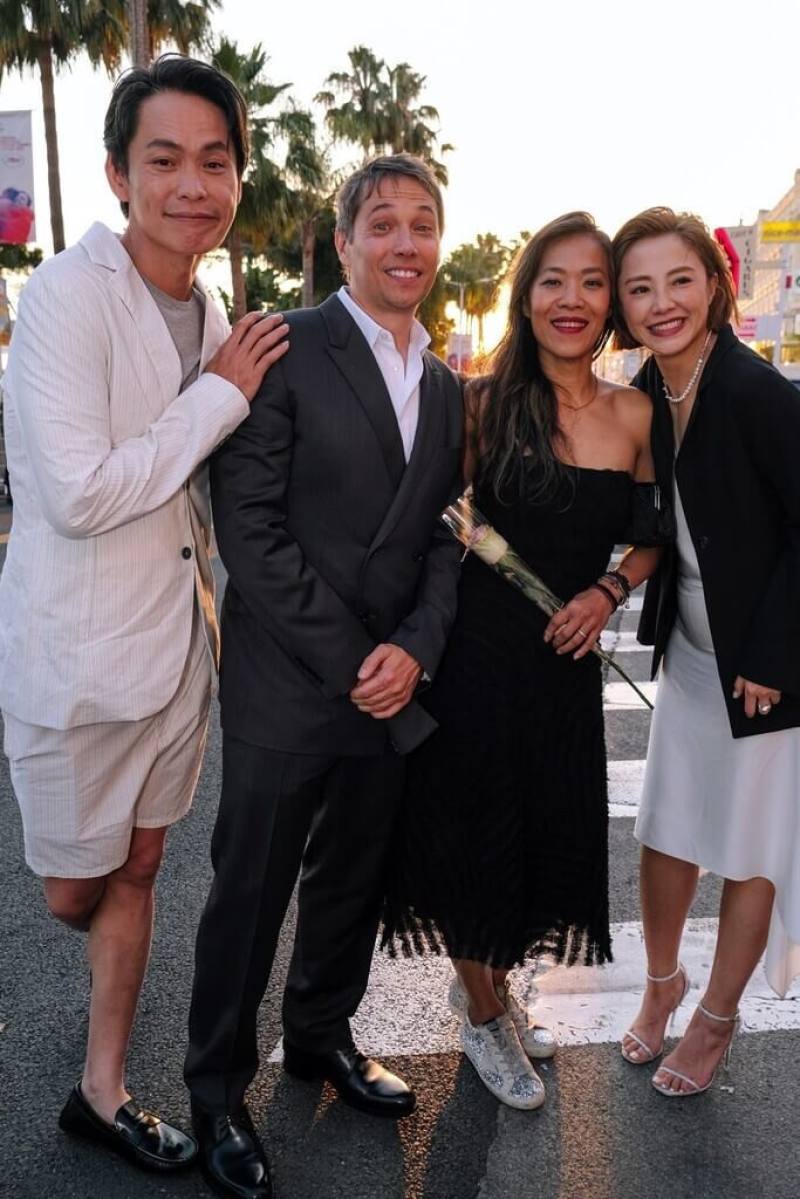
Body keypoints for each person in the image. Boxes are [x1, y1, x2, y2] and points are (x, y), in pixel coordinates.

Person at [0, 55, 288, 1173]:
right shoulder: (67, 296)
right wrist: (221, 389)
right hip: (76, 659)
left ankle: (103, 1086)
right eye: (163, 159)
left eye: (214, 161)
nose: (191, 184)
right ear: (119, 173)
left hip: (177, 654)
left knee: (140, 868)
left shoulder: (208, 301)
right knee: (77, 881)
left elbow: (208, 483)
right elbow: (76, 494)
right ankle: (97, 1067)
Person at [184, 153, 463, 1199]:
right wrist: (355, 659)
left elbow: (446, 532)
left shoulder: (442, 383)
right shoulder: (281, 347)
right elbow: (246, 530)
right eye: (381, 223)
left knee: (353, 874)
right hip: (288, 682)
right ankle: (214, 1093)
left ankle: (317, 1037)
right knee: (246, 896)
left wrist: (416, 649)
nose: (403, 242)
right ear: (341, 243)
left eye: (421, 224)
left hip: (391, 682)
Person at [382, 212, 668, 1109]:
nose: (572, 299)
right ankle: (480, 1015)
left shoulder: (633, 414)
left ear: (610, 299)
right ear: (527, 293)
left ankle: (497, 995)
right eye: (553, 280)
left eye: (591, 281)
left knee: (544, 841)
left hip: (563, 668)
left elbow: (653, 536)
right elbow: (437, 522)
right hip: (477, 662)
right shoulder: (481, 400)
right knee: (477, 844)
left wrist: (607, 591)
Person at [613, 208, 800, 1096]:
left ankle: (717, 1019)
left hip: (767, 662)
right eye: (640, 287)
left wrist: (771, 652)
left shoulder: (758, 392)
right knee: (666, 828)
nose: (662, 303)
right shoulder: (645, 391)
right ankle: (663, 981)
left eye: (678, 280)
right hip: (690, 650)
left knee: (751, 843)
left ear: (716, 284)